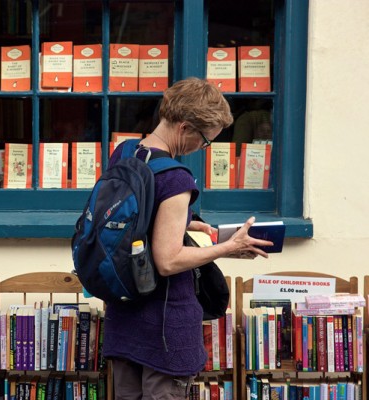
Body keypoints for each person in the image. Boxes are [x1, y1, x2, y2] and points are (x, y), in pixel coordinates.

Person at [102, 77, 274, 400]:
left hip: (123, 318)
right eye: (205, 141)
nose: (202, 149)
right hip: (165, 331)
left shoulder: (125, 153)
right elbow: (168, 260)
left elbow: (133, 221)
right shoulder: (176, 178)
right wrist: (228, 247)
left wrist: (188, 224)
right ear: (184, 128)